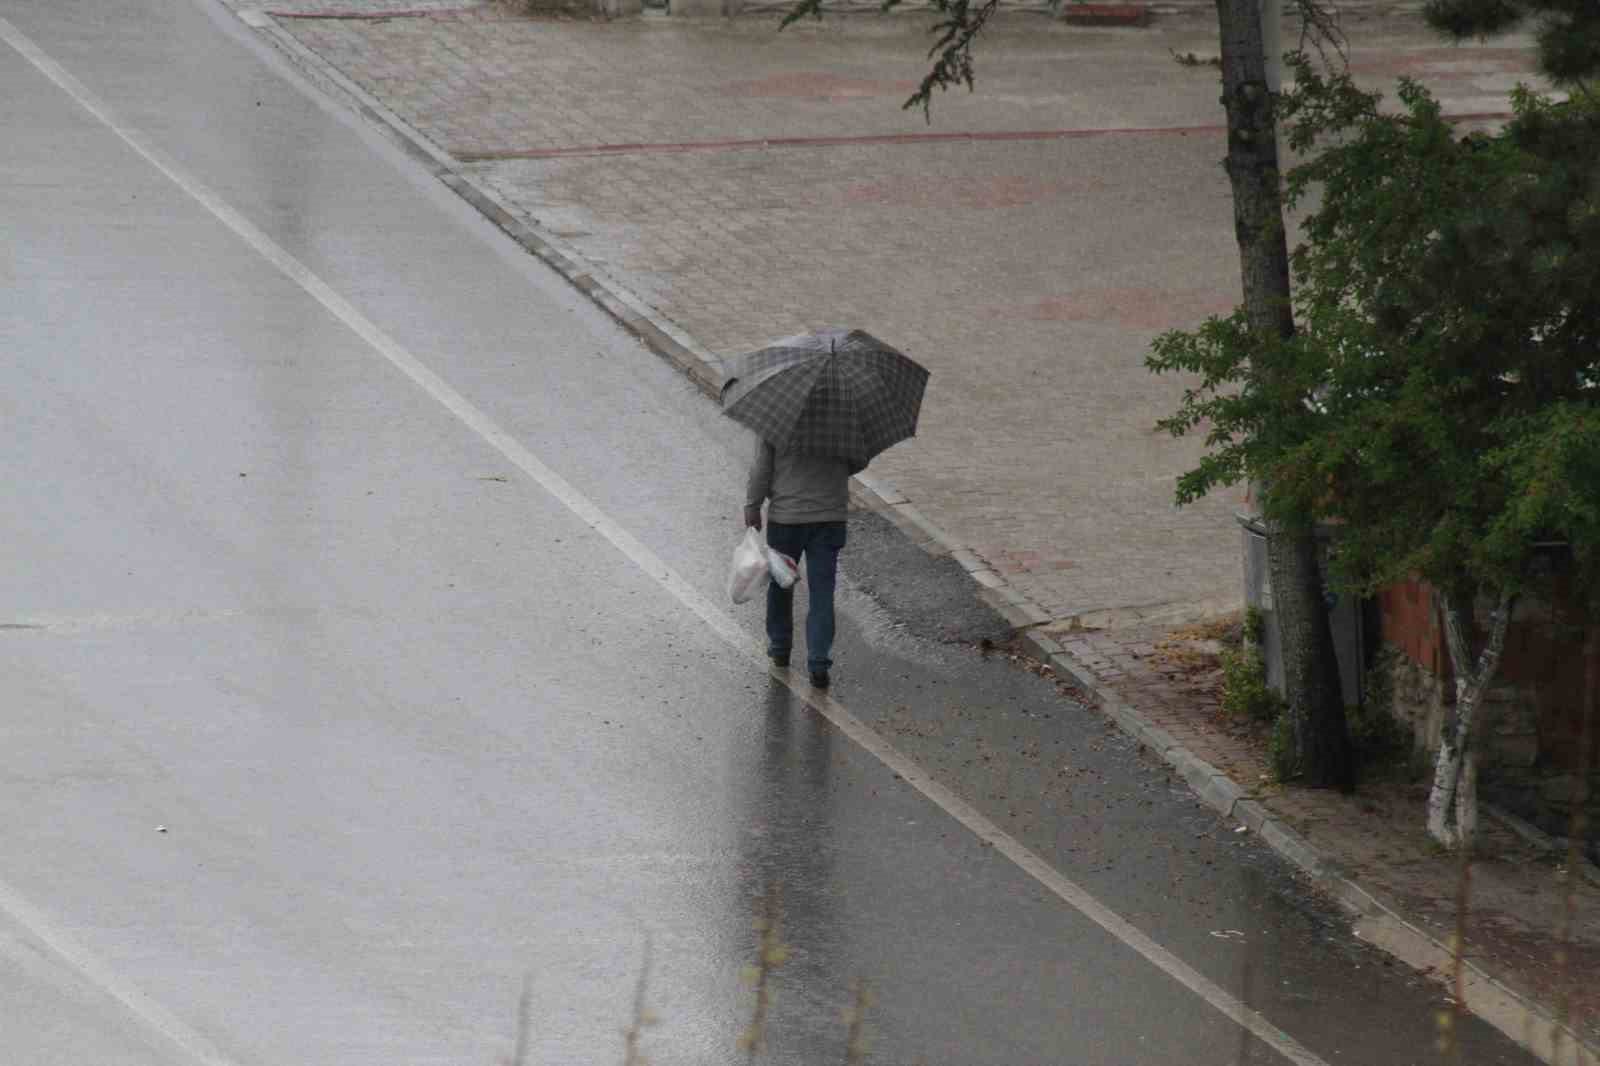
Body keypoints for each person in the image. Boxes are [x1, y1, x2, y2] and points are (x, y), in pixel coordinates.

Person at [744, 439, 864, 689]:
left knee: (781, 582)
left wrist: (752, 506)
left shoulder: (776, 411)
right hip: (830, 516)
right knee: (822, 592)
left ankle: (780, 647)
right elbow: (857, 460)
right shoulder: (844, 417)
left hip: (787, 516)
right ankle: (818, 662)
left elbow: (761, 468)